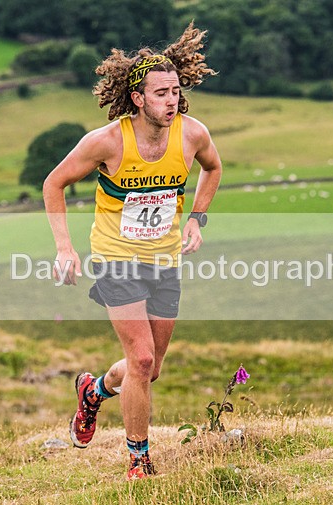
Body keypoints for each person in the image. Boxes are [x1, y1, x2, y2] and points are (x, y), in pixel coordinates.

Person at [42, 23, 222, 480]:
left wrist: (197, 219)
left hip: (164, 259)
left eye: (176, 92)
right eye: (160, 93)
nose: (171, 101)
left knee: (151, 369)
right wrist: (65, 248)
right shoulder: (107, 141)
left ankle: (94, 390)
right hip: (115, 257)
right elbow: (54, 183)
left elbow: (213, 168)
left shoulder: (191, 134)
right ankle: (139, 461)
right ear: (138, 98)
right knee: (140, 359)